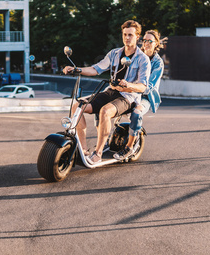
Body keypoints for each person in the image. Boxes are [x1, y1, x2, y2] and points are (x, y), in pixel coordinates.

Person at [62, 20, 151, 165]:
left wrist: (128, 84)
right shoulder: (115, 53)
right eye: (124, 34)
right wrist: (77, 69)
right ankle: (83, 150)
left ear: (137, 37)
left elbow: (142, 87)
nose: (127, 38)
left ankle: (98, 153)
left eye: (130, 35)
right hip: (111, 91)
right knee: (77, 106)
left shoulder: (143, 59)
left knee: (105, 111)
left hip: (128, 97)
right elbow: (96, 69)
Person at [114, 30, 166, 160]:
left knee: (136, 113)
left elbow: (149, 86)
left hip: (145, 97)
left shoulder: (158, 63)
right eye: (145, 40)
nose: (146, 43)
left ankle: (129, 148)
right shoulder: (136, 56)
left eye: (150, 41)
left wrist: (131, 88)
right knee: (103, 105)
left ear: (156, 44)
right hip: (129, 92)